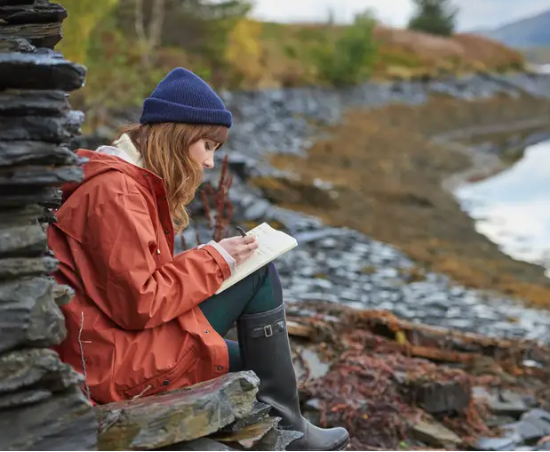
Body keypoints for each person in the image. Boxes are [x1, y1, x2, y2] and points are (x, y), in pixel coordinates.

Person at [47, 67, 349, 451]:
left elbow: (131, 281)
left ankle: (283, 427)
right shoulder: (116, 193)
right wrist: (216, 259)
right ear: (180, 136)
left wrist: (212, 257)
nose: (209, 162)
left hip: (116, 345)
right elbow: (140, 302)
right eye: (208, 146)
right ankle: (291, 430)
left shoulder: (127, 182)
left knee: (245, 359)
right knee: (256, 280)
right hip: (111, 364)